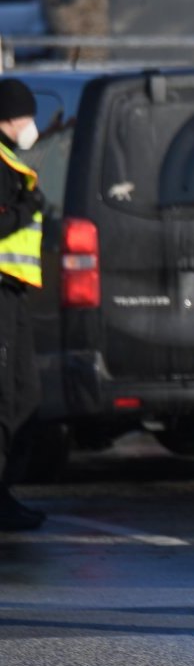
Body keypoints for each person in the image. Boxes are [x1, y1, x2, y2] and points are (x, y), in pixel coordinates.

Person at [0, 78, 46, 532]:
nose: (31, 125)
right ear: (11, 118)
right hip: (1, 292)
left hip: (12, 292)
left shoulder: (10, 159)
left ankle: (6, 492)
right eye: (27, 116)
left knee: (22, 393)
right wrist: (27, 208)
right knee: (9, 396)